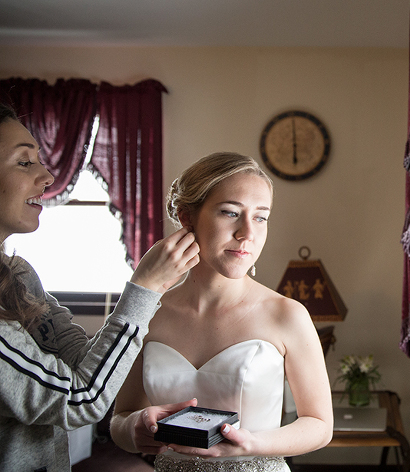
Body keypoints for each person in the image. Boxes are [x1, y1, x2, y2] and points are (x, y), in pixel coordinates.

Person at [0, 102, 201, 472]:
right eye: (24, 162)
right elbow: (81, 399)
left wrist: (146, 296)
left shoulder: (18, 276)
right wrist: (144, 287)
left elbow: (80, 363)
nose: (47, 176)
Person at [110, 152, 333, 472]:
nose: (247, 233)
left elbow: (320, 424)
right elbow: (119, 420)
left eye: (260, 217)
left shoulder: (286, 315)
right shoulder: (150, 315)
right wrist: (134, 427)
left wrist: (253, 445)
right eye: (230, 212)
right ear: (187, 217)